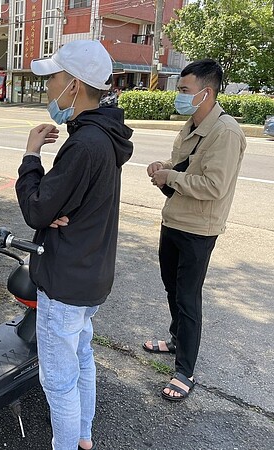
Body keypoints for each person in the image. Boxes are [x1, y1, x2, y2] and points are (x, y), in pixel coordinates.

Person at [15, 40, 133, 450]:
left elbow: (36, 209)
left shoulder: (84, 144)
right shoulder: (103, 136)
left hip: (66, 280)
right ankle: (83, 436)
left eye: (54, 79)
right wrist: (54, 206)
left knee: (58, 380)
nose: (49, 87)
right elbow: (55, 205)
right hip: (91, 274)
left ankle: (68, 443)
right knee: (81, 356)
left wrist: (31, 156)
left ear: (75, 85)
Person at [143, 59, 246, 401]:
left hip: (199, 229)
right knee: (172, 288)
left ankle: (185, 371)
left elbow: (214, 185)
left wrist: (170, 177)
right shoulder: (190, 125)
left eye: (185, 91)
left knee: (188, 297)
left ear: (207, 92)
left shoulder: (226, 132)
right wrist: (165, 167)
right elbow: (186, 166)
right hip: (174, 219)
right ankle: (176, 339)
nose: (179, 96)